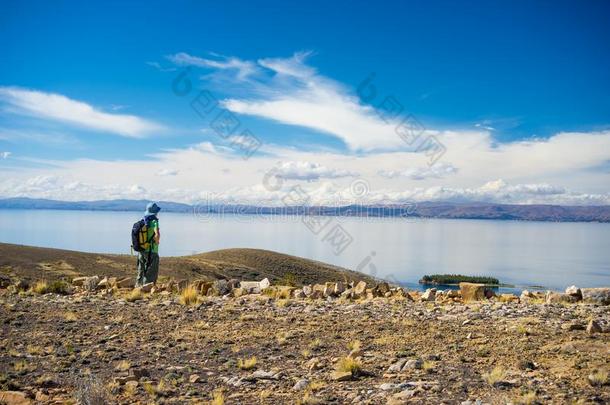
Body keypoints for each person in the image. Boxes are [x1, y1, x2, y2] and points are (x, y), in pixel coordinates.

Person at [136, 202, 161, 286]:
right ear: (155, 212)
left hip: (141, 249)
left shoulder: (143, 220)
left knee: (141, 270)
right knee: (151, 272)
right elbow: (157, 233)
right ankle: (147, 288)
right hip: (151, 251)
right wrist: (157, 241)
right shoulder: (154, 221)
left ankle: (138, 287)